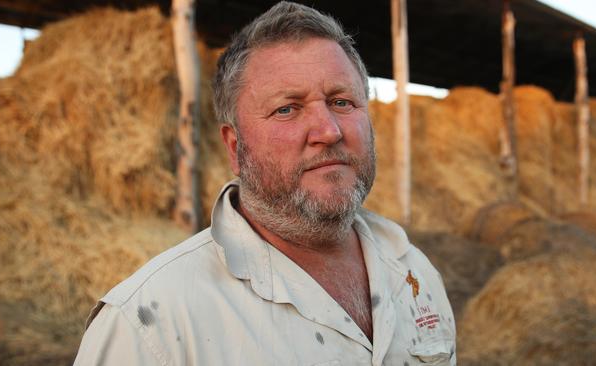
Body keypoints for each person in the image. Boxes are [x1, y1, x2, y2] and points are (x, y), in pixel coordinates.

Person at [74, 2, 456, 365]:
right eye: (287, 109)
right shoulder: (149, 327)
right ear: (235, 147)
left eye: (341, 102)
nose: (328, 131)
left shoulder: (414, 274)